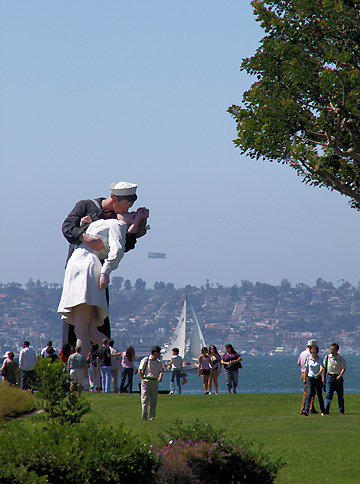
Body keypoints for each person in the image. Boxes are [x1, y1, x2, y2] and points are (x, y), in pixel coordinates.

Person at [58, 196, 149, 358]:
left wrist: (137, 220)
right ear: (115, 200)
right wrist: (84, 235)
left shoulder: (116, 223)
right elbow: (67, 227)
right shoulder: (89, 207)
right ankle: (110, 357)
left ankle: (82, 369)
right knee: (89, 329)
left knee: (82, 329)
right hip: (86, 270)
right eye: (128, 208)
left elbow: (124, 245)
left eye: (131, 212)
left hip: (88, 270)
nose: (128, 212)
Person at [139, 345, 163, 421]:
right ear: (155, 352)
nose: (160, 355)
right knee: (145, 399)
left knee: (153, 400)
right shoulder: (145, 360)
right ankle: (144, 417)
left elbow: (161, 370)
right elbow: (140, 370)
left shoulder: (159, 363)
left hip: (154, 381)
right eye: (159, 353)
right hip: (146, 380)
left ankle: (152, 417)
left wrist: (160, 376)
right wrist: (142, 379)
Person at [323, 343, 347, 414]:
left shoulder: (340, 359)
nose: (331, 351)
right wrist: (323, 378)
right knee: (328, 394)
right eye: (330, 349)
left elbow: (344, 368)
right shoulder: (327, 357)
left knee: (340, 395)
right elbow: (324, 368)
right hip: (329, 377)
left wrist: (340, 375)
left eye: (333, 349)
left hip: (338, 378)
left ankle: (341, 410)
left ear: (337, 350)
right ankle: (326, 410)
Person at [302, 345, 325, 416]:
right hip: (310, 378)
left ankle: (322, 411)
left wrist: (319, 374)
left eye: (314, 349)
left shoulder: (320, 359)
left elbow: (321, 367)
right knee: (309, 394)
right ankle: (306, 410)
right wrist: (304, 378)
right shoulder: (308, 359)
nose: (313, 351)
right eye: (312, 349)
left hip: (317, 378)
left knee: (319, 395)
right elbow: (306, 369)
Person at [297, 339, 318, 414]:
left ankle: (311, 407)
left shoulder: (302, 353)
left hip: (302, 373)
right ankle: (304, 408)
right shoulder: (311, 355)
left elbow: (299, 363)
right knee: (308, 392)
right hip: (309, 374)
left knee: (309, 391)